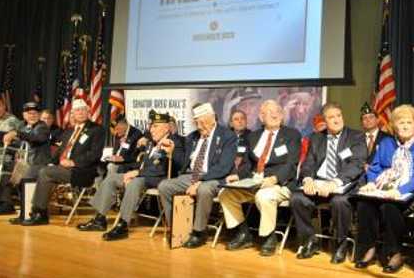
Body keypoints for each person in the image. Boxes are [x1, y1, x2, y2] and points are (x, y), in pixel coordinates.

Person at [78, 111, 185, 240]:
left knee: (134, 183)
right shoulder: (151, 142)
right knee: (112, 178)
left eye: (155, 126)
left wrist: (137, 173)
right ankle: (100, 219)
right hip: (143, 175)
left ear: (167, 127)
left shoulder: (174, 142)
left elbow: (163, 169)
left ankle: (123, 225)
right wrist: (131, 172)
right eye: (151, 126)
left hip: (160, 178)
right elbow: (141, 162)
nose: (151, 130)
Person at [353, 104, 414, 273]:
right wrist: (372, 183)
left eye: (408, 123)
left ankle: (395, 253)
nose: (404, 126)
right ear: (394, 125)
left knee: (389, 207)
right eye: (400, 122)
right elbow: (375, 167)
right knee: (364, 205)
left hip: (410, 193)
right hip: (383, 190)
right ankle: (369, 249)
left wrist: (399, 191)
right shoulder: (387, 143)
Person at [219, 100, 301, 256]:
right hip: (255, 181)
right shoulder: (254, 136)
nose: (274, 114)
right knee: (225, 194)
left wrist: (274, 179)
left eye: (277, 110)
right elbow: (247, 164)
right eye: (268, 112)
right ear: (261, 117)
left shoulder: (291, 134)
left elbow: (292, 163)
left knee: (263, 196)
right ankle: (243, 233)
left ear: (282, 115)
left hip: (280, 184)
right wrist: (238, 175)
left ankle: (269, 237)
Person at [290, 102, 367, 263]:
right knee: (297, 198)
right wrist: (308, 179)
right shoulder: (316, 138)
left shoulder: (356, 136)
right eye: (332, 117)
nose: (337, 120)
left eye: (339, 115)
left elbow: (357, 164)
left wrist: (335, 182)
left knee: (340, 202)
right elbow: (308, 163)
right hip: (319, 183)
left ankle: (340, 244)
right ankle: (310, 241)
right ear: (324, 120)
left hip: (343, 183)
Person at [157, 103, 237, 248]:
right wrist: (173, 151)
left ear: (213, 118)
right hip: (191, 175)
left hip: (214, 177)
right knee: (164, 186)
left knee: (204, 189)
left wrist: (199, 181)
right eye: (196, 122)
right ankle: (176, 228)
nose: (199, 126)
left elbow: (223, 167)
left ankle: (199, 232)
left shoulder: (227, 136)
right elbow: (183, 164)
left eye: (203, 122)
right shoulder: (192, 137)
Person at [22, 99, 105, 226]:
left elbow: (95, 154)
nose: (81, 112)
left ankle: (39, 212)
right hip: (63, 168)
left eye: (83, 109)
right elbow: (60, 151)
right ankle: (36, 212)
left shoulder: (96, 130)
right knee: (43, 170)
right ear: (73, 114)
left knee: (45, 173)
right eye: (77, 110)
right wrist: (51, 162)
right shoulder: (70, 131)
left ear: (89, 112)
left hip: (82, 171)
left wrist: (74, 162)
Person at [0, 102, 52, 219]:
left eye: (35, 113)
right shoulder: (23, 126)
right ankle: (9, 206)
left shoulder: (42, 127)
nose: (32, 116)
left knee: (24, 176)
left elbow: (36, 138)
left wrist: (16, 133)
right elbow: (18, 141)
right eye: (29, 113)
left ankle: (27, 213)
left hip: (39, 164)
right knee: (5, 172)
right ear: (24, 115)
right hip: (25, 163)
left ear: (39, 114)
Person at [360, 102, 389, 167]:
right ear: (361, 123)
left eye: (371, 117)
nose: (368, 120)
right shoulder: (356, 139)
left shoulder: (387, 138)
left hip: (380, 174)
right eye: (365, 118)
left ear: (377, 120)